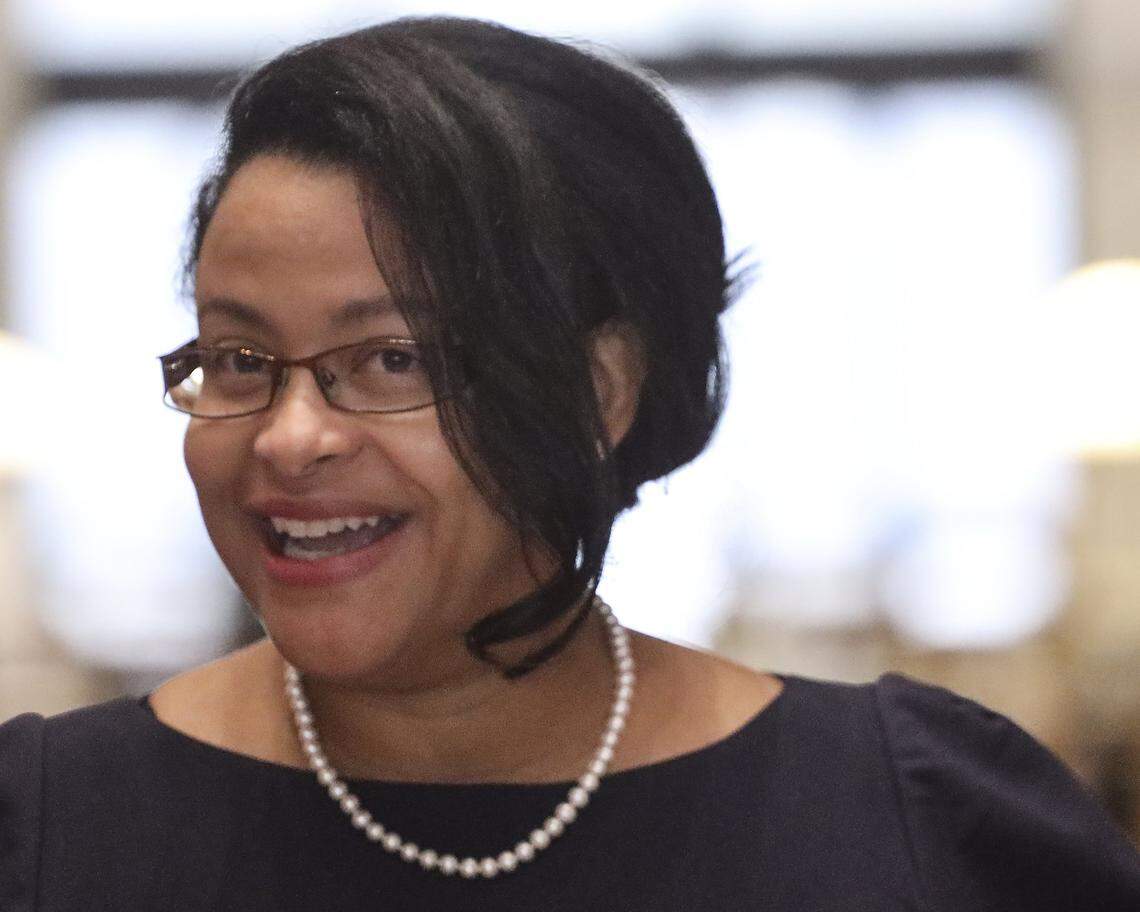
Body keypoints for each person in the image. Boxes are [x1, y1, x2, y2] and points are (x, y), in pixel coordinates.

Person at [1, 16, 1138, 911]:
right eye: (240, 356)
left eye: (393, 357)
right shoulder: (47, 832)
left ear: (601, 392)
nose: (291, 437)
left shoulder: (908, 822)